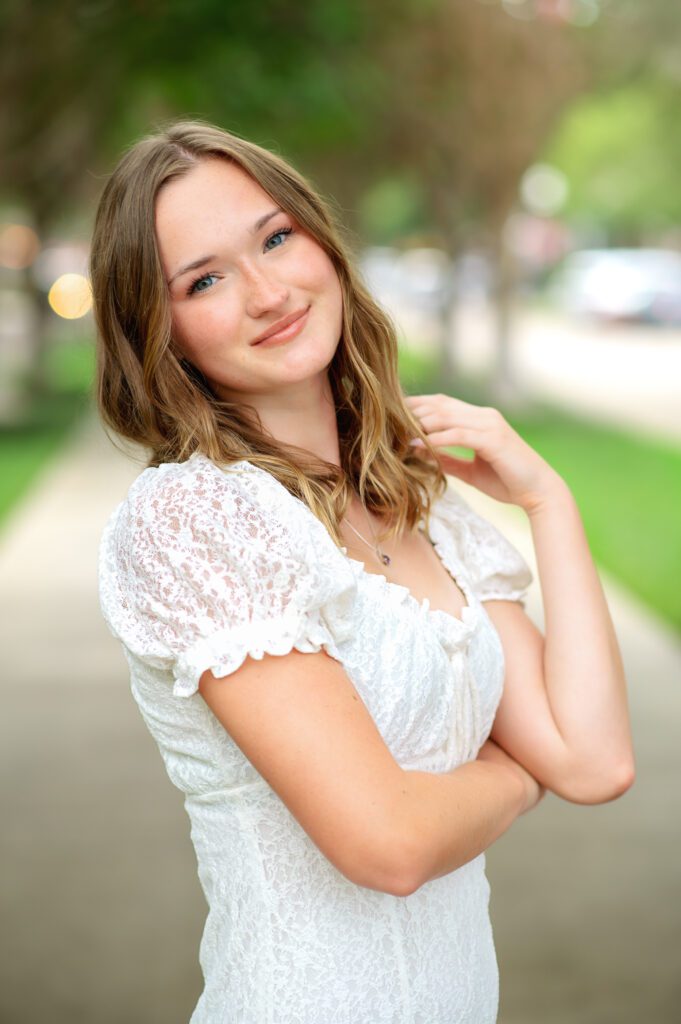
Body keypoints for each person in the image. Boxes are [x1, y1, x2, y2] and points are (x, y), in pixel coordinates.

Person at [91, 120, 635, 1024]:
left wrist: (549, 505)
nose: (267, 292)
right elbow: (385, 845)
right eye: (206, 279)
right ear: (162, 333)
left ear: (321, 240)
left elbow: (591, 759)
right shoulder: (194, 521)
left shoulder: (418, 504)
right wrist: (510, 775)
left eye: (275, 238)